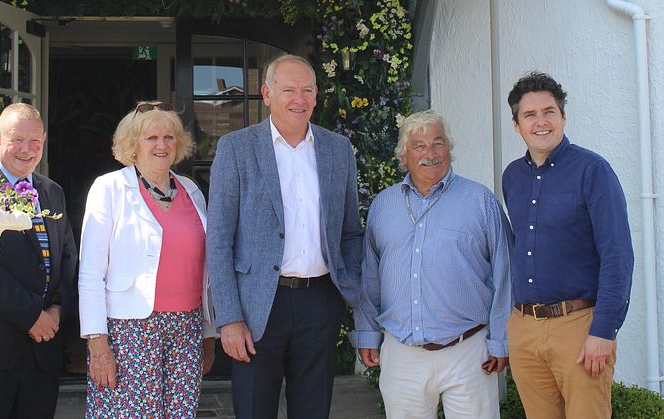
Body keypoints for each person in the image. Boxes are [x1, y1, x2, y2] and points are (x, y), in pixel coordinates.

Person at [206, 54, 363, 419]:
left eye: (307, 90)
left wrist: (349, 287)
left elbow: (350, 232)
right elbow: (219, 239)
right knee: (254, 410)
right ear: (267, 94)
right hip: (259, 307)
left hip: (319, 303)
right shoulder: (237, 148)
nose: (299, 98)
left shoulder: (338, 150)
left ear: (316, 95)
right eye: (289, 89)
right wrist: (228, 318)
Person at [349, 110, 512, 418]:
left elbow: (506, 274)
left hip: (469, 351)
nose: (430, 153)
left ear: (448, 148)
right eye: (419, 145)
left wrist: (500, 341)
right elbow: (369, 277)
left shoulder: (480, 201)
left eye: (438, 143)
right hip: (402, 354)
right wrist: (367, 334)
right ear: (403, 155)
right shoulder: (383, 205)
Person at [503, 72, 634, 419]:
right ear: (517, 125)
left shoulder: (593, 171)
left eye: (549, 112)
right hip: (524, 326)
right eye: (530, 115)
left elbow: (617, 257)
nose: (541, 122)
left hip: (578, 326)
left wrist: (603, 331)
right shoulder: (512, 176)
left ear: (563, 117)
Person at [78, 102, 218, 418]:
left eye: (168, 138)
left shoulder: (191, 190)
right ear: (132, 145)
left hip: (187, 327)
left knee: (181, 413)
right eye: (151, 138)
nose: (161, 145)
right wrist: (97, 344)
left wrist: (209, 333)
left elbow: (205, 270)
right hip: (130, 329)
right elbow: (90, 272)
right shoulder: (110, 188)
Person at [0, 103, 77, 419]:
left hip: (44, 352)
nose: (27, 150)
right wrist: (31, 315)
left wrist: (57, 309)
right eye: (17, 140)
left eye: (35, 142)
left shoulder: (52, 191)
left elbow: (67, 258)